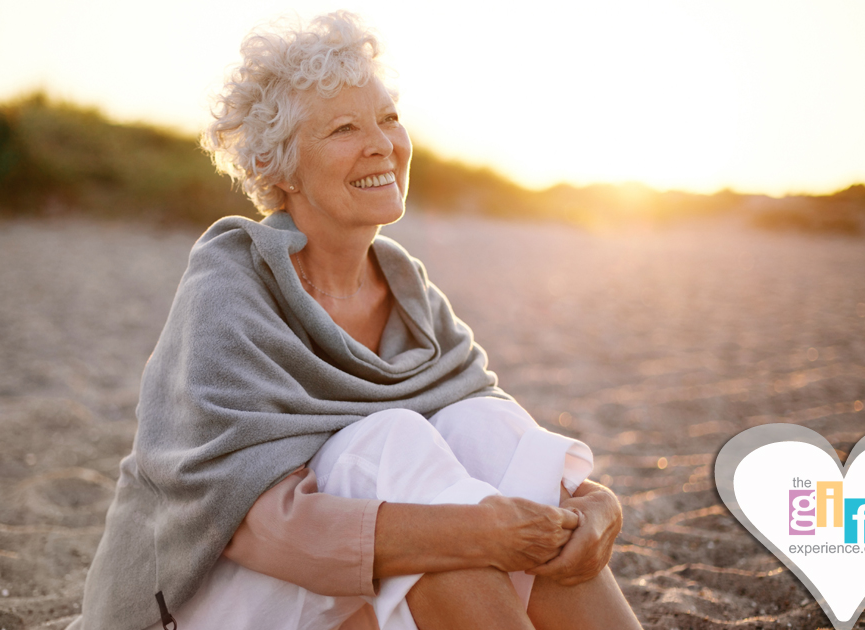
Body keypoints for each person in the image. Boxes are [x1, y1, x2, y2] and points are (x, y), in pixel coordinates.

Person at [69, 12, 641, 630]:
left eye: (389, 118)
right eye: (345, 128)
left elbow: (499, 443)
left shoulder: (406, 288)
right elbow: (244, 523)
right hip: (202, 596)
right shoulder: (230, 287)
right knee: (387, 442)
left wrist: (597, 508)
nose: (382, 145)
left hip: (353, 584)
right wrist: (476, 531)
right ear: (280, 169)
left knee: (484, 420)